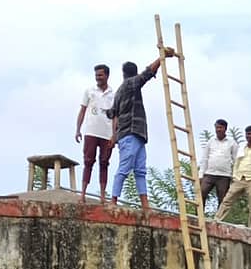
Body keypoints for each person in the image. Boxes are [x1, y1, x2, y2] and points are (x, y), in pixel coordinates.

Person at [106, 48, 176, 211]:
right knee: (124, 168)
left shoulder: (119, 92)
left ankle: (145, 205)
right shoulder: (131, 84)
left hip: (134, 135)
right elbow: (147, 73)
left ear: (123, 73)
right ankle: (113, 200)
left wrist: (114, 135)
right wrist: (162, 57)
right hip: (131, 133)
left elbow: (112, 114)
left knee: (140, 171)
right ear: (133, 74)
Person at [213, 125, 251, 228]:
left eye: (250, 134)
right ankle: (217, 219)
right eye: (246, 134)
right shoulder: (242, 148)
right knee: (227, 200)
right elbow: (237, 162)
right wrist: (234, 175)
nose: (248, 136)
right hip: (239, 179)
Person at [75, 64, 115, 203]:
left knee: (104, 163)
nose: (98, 78)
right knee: (88, 161)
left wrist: (114, 135)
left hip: (107, 133)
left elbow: (116, 116)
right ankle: (83, 194)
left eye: (100, 75)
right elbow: (82, 110)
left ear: (107, 76)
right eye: (96, 75)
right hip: (91, 131)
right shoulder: (89, 91)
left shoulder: (113, 94)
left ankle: (103, 197)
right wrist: (78, 129)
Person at [198, 119, 238, 211]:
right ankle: (199, 215)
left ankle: (218, 219)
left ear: (225, 129)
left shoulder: (232, 142)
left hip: (224, 175)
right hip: (209, 173)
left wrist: (235, 176)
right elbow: (205, 158)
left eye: (220, 127)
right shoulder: (210, 141)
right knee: (201, 193)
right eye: (217, 127)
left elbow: (236, 160)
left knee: (222, 199)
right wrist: (201, 174)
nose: (218, 130)